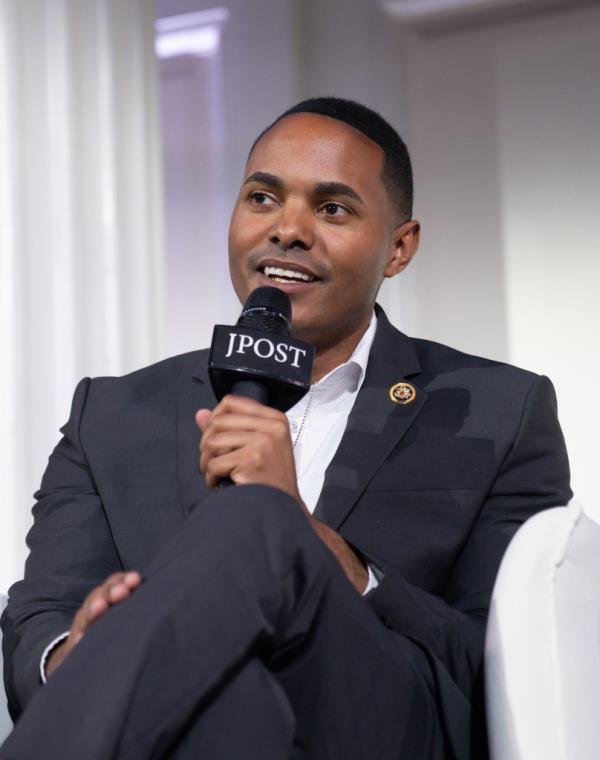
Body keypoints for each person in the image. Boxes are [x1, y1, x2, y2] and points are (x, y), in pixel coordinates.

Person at [0, 97, 571, 759]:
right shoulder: (113, 414)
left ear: (399, 247)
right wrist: (81, 650)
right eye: (263, 198)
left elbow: (513, 664)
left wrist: (317, 546)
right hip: (201, 729)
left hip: (383, 727)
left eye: (332, 209)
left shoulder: (501, 409)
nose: (288, 229)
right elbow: (36, 620)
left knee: (259, 519)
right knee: (228, 700)